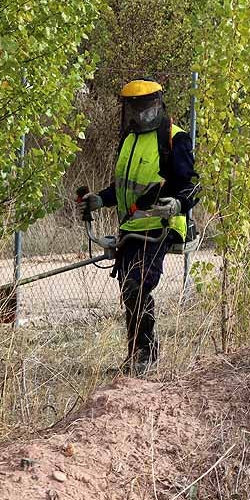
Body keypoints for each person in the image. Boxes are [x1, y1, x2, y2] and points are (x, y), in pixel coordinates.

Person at [78, 79, 198, 375]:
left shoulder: (173, 139)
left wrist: (177, 205)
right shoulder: (129, 139)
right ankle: (137, 355)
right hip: (132, 227)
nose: (138, 114)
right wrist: (99, 199)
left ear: (157, 105)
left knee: (137, 284)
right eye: (133, 108)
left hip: (162, 225)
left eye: (144, 107)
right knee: (129, 289)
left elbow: (191, 186)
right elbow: (123, 187)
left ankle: (144, 356)